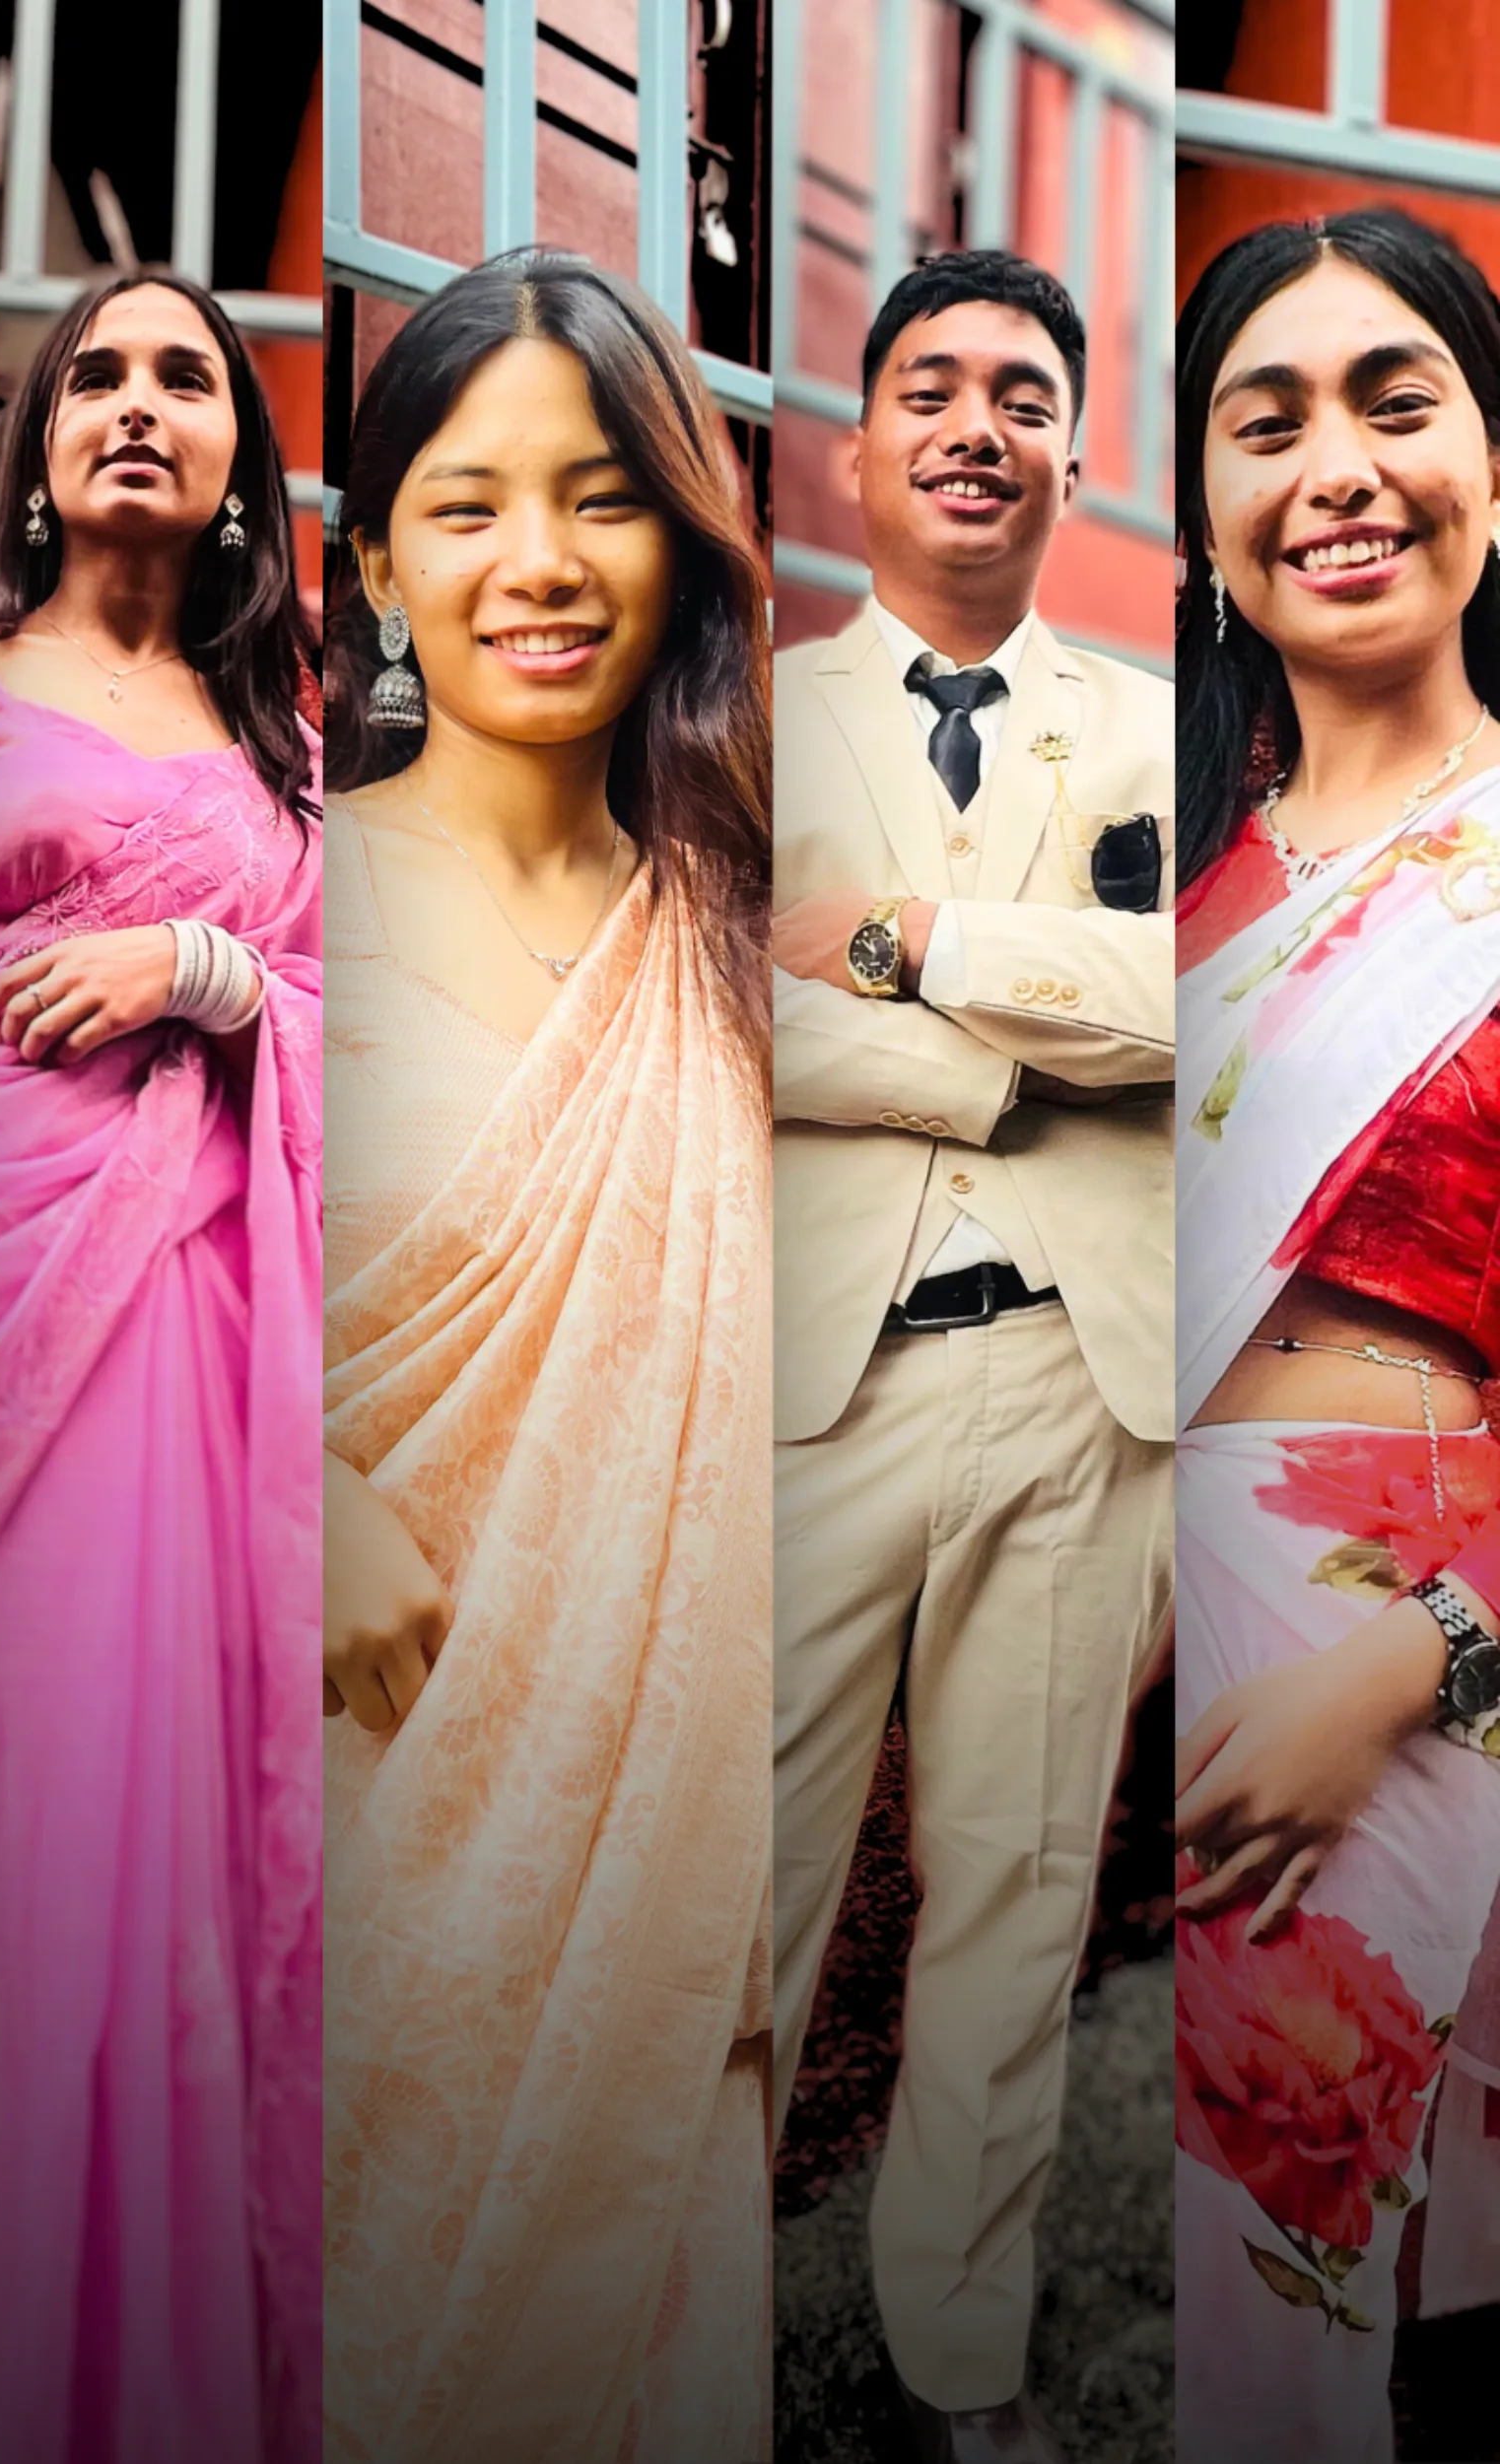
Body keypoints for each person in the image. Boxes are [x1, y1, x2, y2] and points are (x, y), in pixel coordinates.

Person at [320, 248, 773, 2463]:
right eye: (469, 502)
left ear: (676, 539)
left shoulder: (721, 941)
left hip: (654, 1859)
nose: (538, 563)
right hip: (340, 1825)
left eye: (597, 497)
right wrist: (272, 1484)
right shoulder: (268, 905)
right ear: (377, 559)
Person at [0, 268, 322, 2463]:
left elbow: (375, 1038)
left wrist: (216, 973)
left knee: (154, 1864)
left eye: (187, 374)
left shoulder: (295, 749)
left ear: (243, 453)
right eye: (97, 372)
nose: (140, 404)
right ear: (38, 435)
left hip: (199, 1325)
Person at [771, 248, 1175, 2463]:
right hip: (798, 1389)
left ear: (1070, 452)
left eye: (1021, 392)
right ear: (857, 445)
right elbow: (713, 1001)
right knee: (724, 1901)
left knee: (1013, 1910)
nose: (973, 423)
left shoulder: (1149, 728)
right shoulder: (745, 713)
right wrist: (982, 1075)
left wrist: (914, 942)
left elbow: (1183, 994)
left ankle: (957, 2363)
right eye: (928, 386)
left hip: (1069, 1385)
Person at [1172, 206, 1500, 2464]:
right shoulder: (1163, 873)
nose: (1334, 470)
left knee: (1327, 2290)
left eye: (1395, 399)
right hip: (1157, 1642)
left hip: (1415, 1647)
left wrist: (1408, 1662)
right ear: (1202, 514)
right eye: (1263, 420)